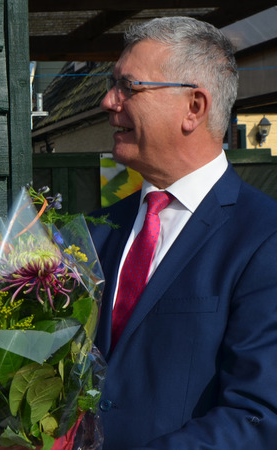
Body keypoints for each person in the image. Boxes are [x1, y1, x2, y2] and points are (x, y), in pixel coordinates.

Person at [88, 16, 277, 448]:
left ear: (194, 107)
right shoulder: (97, 231)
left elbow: (257, 416)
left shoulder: (264, 239)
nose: (107, 101)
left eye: (129, 87)